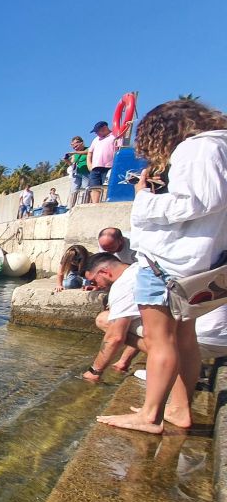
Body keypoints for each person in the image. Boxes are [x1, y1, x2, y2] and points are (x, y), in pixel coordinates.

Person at [96, 99, 227, 434]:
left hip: (169, 262)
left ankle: (149, 415)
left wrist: (145, 197)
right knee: (184, 337)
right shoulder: (218, 147)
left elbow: (199, 202)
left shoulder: (197, 149)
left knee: (161, 337)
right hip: (198, 260)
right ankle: (179, 408)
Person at [81, 253, 142, 381]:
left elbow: (115, 337)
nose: (96, 286)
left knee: (103, 320)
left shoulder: (122, 285)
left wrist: (95, 371)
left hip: (177, 343)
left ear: (104, 272)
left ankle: (165, 356)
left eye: (94, 280)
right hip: (186, 330)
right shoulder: (138, 268)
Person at [87, 120, 131, 200]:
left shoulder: (115, 137)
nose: (96, 133)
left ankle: (105, 202)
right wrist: (89, 165)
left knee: (106, 186)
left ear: (104, 128)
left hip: (109, 167)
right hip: (95, 167)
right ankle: (95, 204)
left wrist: (128, 126)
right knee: (94, 187)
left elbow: (120, 149)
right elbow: (90, 153)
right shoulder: (95, 139)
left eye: (98, 131)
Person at [66, 136, 90, 207]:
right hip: (76, 173)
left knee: (85, 189)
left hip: (86, 173)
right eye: (72, 145)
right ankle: (71, 207)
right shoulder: (75, 154)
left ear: (81, 143)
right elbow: (72, 164)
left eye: (76, 145)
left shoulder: (88, 149)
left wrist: (75, 152)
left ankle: (84, 205)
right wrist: (67, 160)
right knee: (73, 191)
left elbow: (87, 152)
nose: (74, 147)